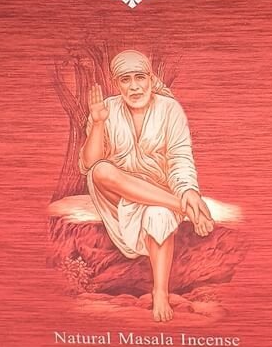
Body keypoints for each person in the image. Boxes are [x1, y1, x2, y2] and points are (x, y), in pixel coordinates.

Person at [79, 50, 214, 321]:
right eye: (125, 80)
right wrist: (98, 123)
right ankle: (182, 208)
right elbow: (90, 164)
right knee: (102, 170)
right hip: (117, 194)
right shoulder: (107, 108)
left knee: (159, 213)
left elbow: (180, 157)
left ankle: (160, 293)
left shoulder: (169, 109)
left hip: (158, 193)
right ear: (117, 84)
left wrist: (188, 190)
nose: (134, 86)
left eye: (140, 77)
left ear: (151, 79)